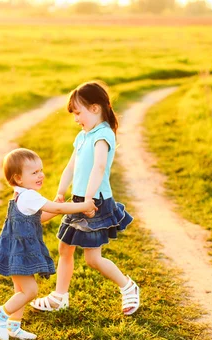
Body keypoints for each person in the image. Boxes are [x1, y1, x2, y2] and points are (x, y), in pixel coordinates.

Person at [30, 81, 140, 316]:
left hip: (95, 202)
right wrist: (61, 192)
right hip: (78, 200)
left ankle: (128, 286)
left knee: (93, 259)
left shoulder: (103, 134)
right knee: (64, 248)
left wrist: (88, 200)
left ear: (94, 108)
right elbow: (71, 166)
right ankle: (60, 297)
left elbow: (99, 167)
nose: (76, 119)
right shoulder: (83, 136)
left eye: (78, 112)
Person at [0, 148, 96, 340]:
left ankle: (13, 327)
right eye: (34, 172)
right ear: (18, 178)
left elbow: (41, 217)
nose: (41, 175)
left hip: (16, 250)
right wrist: (83, 206)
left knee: (20, 290)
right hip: (20, 251)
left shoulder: (22, 194)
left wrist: (58, 206)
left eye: (41, 170)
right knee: (30, 291)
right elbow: (59, 208)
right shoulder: (29, 196)